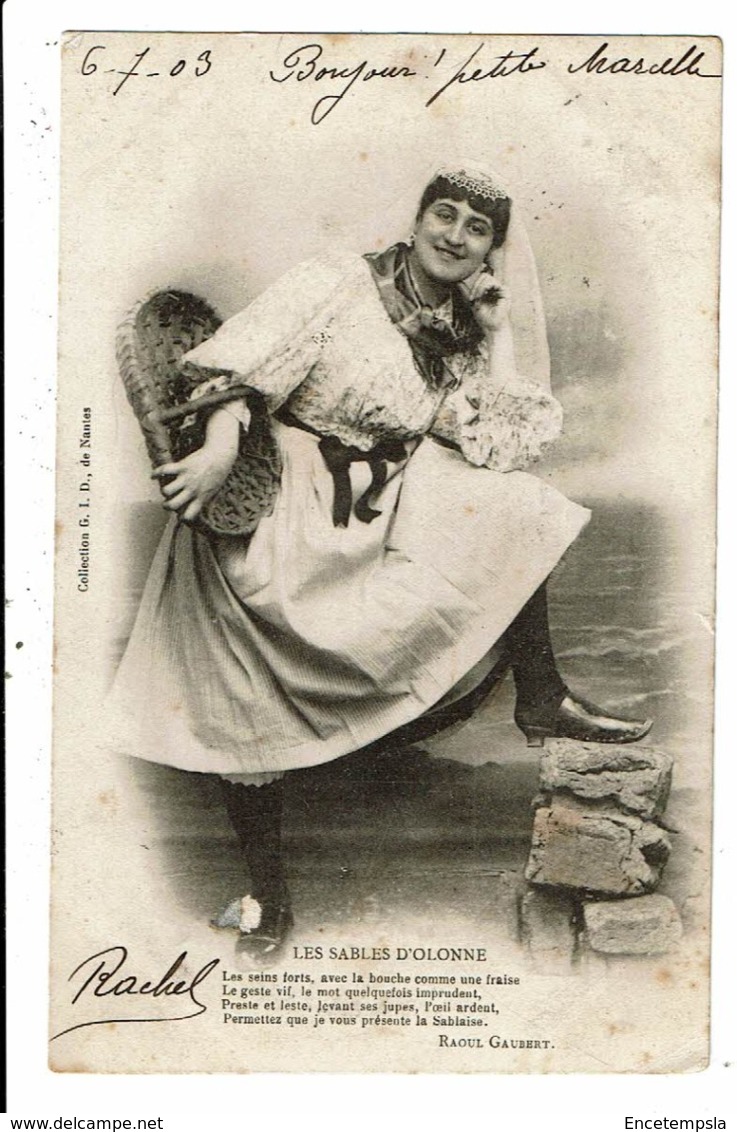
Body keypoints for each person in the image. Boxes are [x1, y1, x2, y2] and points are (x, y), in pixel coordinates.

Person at [109, 163, 652, 960]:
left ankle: (541, 696)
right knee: (246, 708)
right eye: (445, 214)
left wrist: (494, 336)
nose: (455, 236)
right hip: (282, 502)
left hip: (375, 507)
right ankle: (269, 896)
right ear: (420, 216)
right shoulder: (338, 282)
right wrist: (221, 451)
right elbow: (246, 366)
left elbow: (493, 445)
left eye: (477, 230)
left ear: (491, 254)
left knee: (519, 505)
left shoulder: (458, 332)